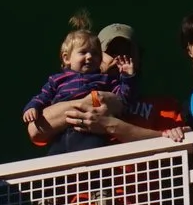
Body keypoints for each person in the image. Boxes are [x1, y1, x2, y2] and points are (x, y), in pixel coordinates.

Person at [19, 10, 143, 154]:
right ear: (66, 58)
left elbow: (125, 97)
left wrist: (127, 77)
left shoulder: (106, 81)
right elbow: (42, 97)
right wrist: (32, 107)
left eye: (94, 53)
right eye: (83, 52)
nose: (89, 57)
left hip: (89, 136)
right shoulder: (57, 80)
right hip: (61, 137)